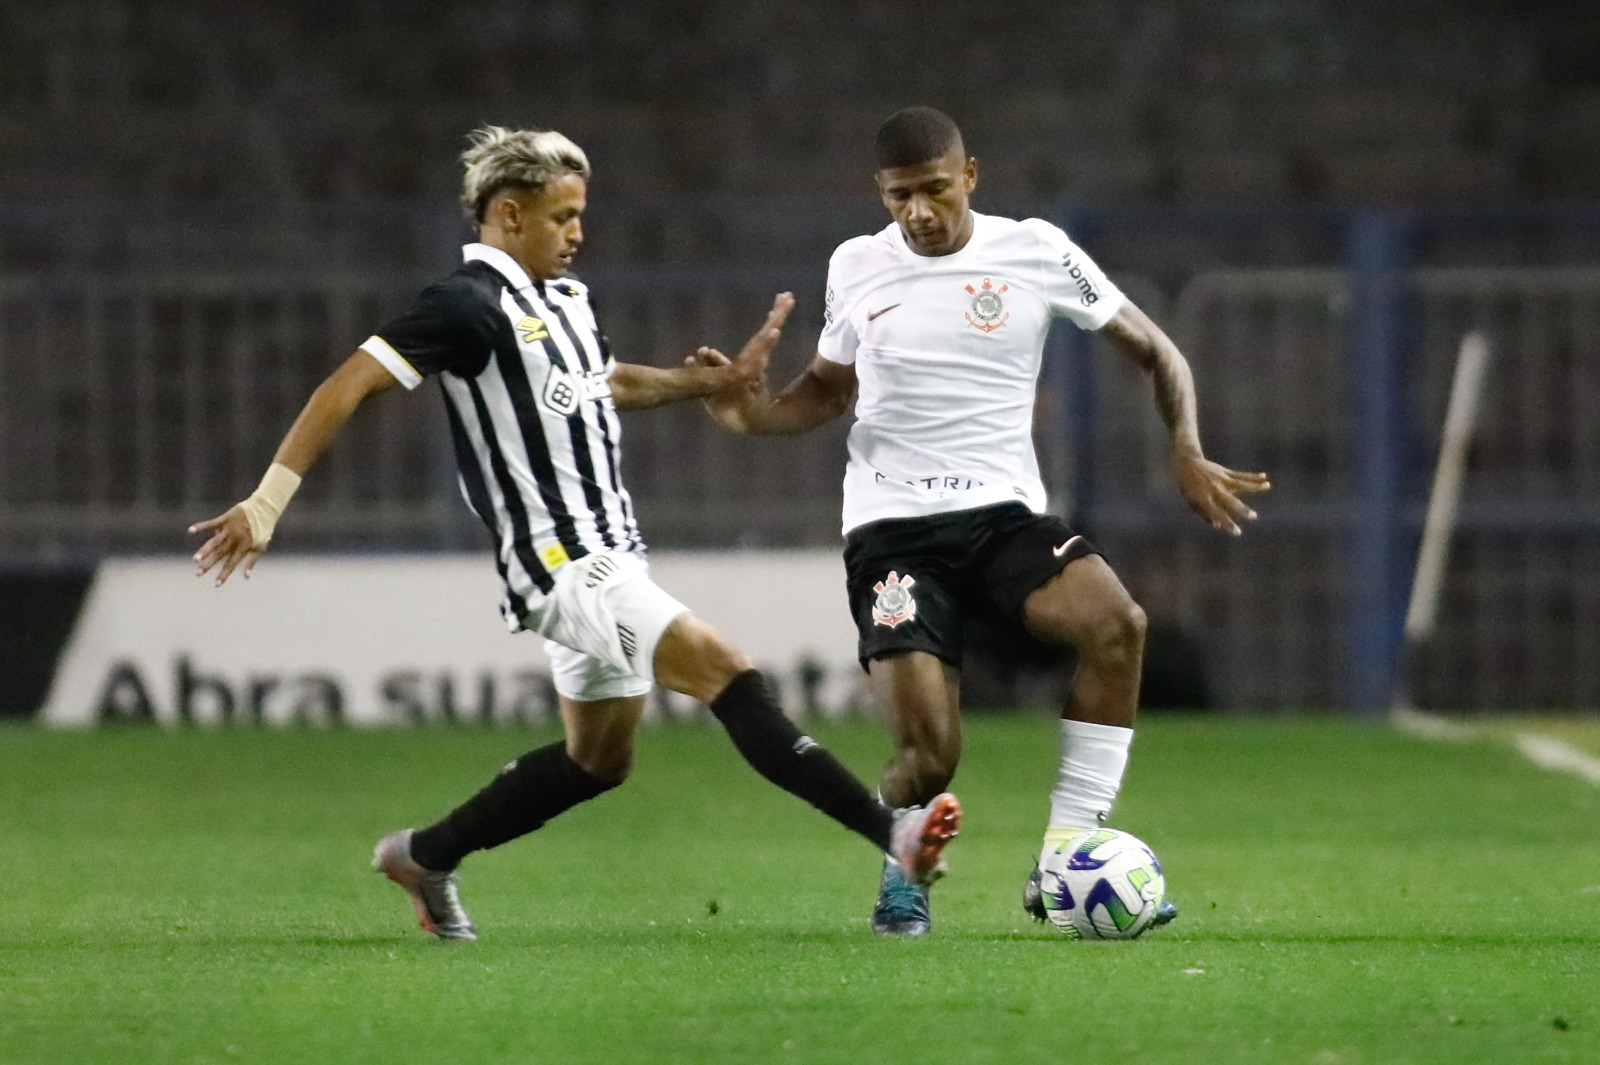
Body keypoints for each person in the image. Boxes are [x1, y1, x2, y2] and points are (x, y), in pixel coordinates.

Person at [188, 125, 960, 941]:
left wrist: (708, 382)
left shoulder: (564, 300)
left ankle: (423, 855)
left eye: (580, 213)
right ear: (509, 215)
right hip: (561, 564)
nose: (579, 231)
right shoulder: (467, 306)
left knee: (599, 759)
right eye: (563, 215)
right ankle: (895, 835)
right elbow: (348, 383)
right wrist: (267, 502)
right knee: (729, 673)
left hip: (611, 553)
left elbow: (602, 383)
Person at [694, 107, 1269, 935]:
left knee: (1117, 624)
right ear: (880, 194)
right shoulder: (856, 264)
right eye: (899, 196)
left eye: (933, 189)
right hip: (893, 530)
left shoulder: (1033, 250)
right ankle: (903, 873)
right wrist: (749, 417)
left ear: (969, 176)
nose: (918, 211)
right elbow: (826, 390)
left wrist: (1185, 444)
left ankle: (1067, 850)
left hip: (1003, 517)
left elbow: (1158, 350)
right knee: (931, 755)